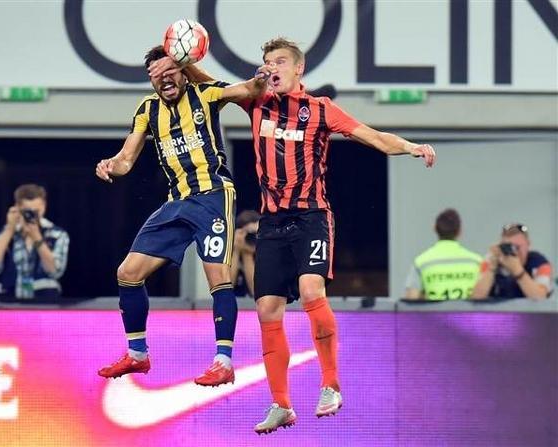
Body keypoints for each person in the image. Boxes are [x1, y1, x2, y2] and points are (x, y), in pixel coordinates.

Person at [150, 37, 436, 433]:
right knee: (267, 309)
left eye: (281, 61)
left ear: (299, 68)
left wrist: (411, 146)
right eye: (268, 61)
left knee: (310, 290)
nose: (272, 67)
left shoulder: (320, 109)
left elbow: (372, 136)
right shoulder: (256, 101)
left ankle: (331, 385)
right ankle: (281, 404)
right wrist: (183, 60)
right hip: (271, 223)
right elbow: (211, 83)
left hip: (311, 217)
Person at [96, 45, 271, 386]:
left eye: (170, 72)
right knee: (128, 273)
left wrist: (261, 79)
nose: (164, 80)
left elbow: (249, 90)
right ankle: (137, 354)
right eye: (156, 76)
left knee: (217, 276)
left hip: (213, 196)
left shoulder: (205, 93)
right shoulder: (147, 109)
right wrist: (110, 165)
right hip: (177, 202)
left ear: (183, 71)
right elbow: (126, 160)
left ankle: (223, 361)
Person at [0, 184, 69, 300]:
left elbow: (55, 271)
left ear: (44, 206)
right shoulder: (5, 233)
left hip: (45, 301)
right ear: (17, 207)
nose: (32, 215)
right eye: (28, 211)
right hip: (9, 299)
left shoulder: (57, 234)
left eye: (36, 211)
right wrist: (9, 229)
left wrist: (37, 237)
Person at [404, 209, 482, 300]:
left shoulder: (421, 262)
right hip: (465, 310)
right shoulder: (476, 262)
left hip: (433, 310)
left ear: (434, 229)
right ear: (460, 231)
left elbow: (411, 299)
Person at [471, 223, 553, 299]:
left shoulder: (539, 263)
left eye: (517, 247)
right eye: (509, 247)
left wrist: (517, 271)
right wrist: (491, 269)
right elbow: (476, 298)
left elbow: (541, 297)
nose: (514, 252)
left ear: (528, 244)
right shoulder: (491, 260)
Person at [231, 210, 260, 297]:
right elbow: (227, 288)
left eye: (255, 234)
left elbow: (255, 291)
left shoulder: (269, 255)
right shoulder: (227, 256)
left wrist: (247, 253)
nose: (252, 238)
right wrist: (236, 249)